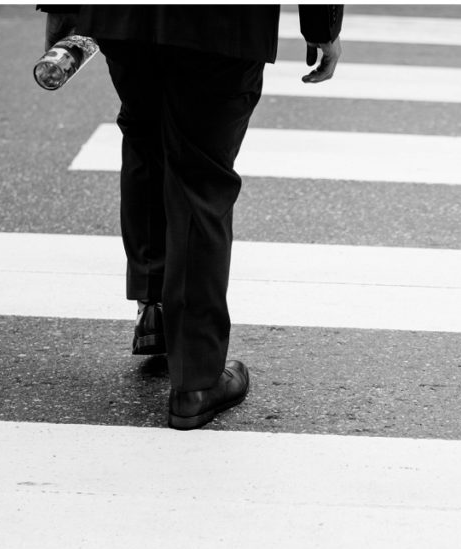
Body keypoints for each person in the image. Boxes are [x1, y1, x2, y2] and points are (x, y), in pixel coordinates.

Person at [39, 5, 344, 430]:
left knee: (145, 134)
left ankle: (156, 309)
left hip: (123, 16)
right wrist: (322, 25)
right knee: (199, 175)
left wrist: (62, 8)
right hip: (221, 21)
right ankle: (196, 379)